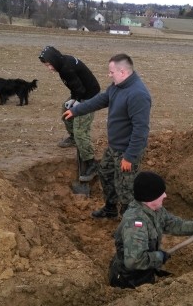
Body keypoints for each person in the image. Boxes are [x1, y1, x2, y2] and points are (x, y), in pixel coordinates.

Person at [63, 53, 151, 218]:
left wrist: (130, 157)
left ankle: (128, 221)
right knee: (105, 173)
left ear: (123, 72)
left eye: (111, 72)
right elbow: (101, 100)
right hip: (114, 147)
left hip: (128, 150)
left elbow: (141, 130)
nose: (109, 75)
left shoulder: (138, 94)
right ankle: (110, 209)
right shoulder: (117, 87)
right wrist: (76, 110)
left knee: (126, 187)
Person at [108, 171, 193, 289]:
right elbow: (134, 261)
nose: (165, 196)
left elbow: (175, 224)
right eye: (160, 193)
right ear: (150, 197)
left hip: (146, 273)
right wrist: (159, 256)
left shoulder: (156, 210)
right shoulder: (136, 224)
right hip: (129, 281)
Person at [39, 46, 101, 181]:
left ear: (54, 59)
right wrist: (73, 99)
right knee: (65, 112)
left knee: (81, 131)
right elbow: (75, 85)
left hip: (90, 96)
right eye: (46, 66)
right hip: (82, 93)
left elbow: (81, 88)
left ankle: (92, 163)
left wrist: (78, 103)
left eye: (49, 64)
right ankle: (73, 138)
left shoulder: (66, 69)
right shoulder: (63, 63)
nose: (49, 68)